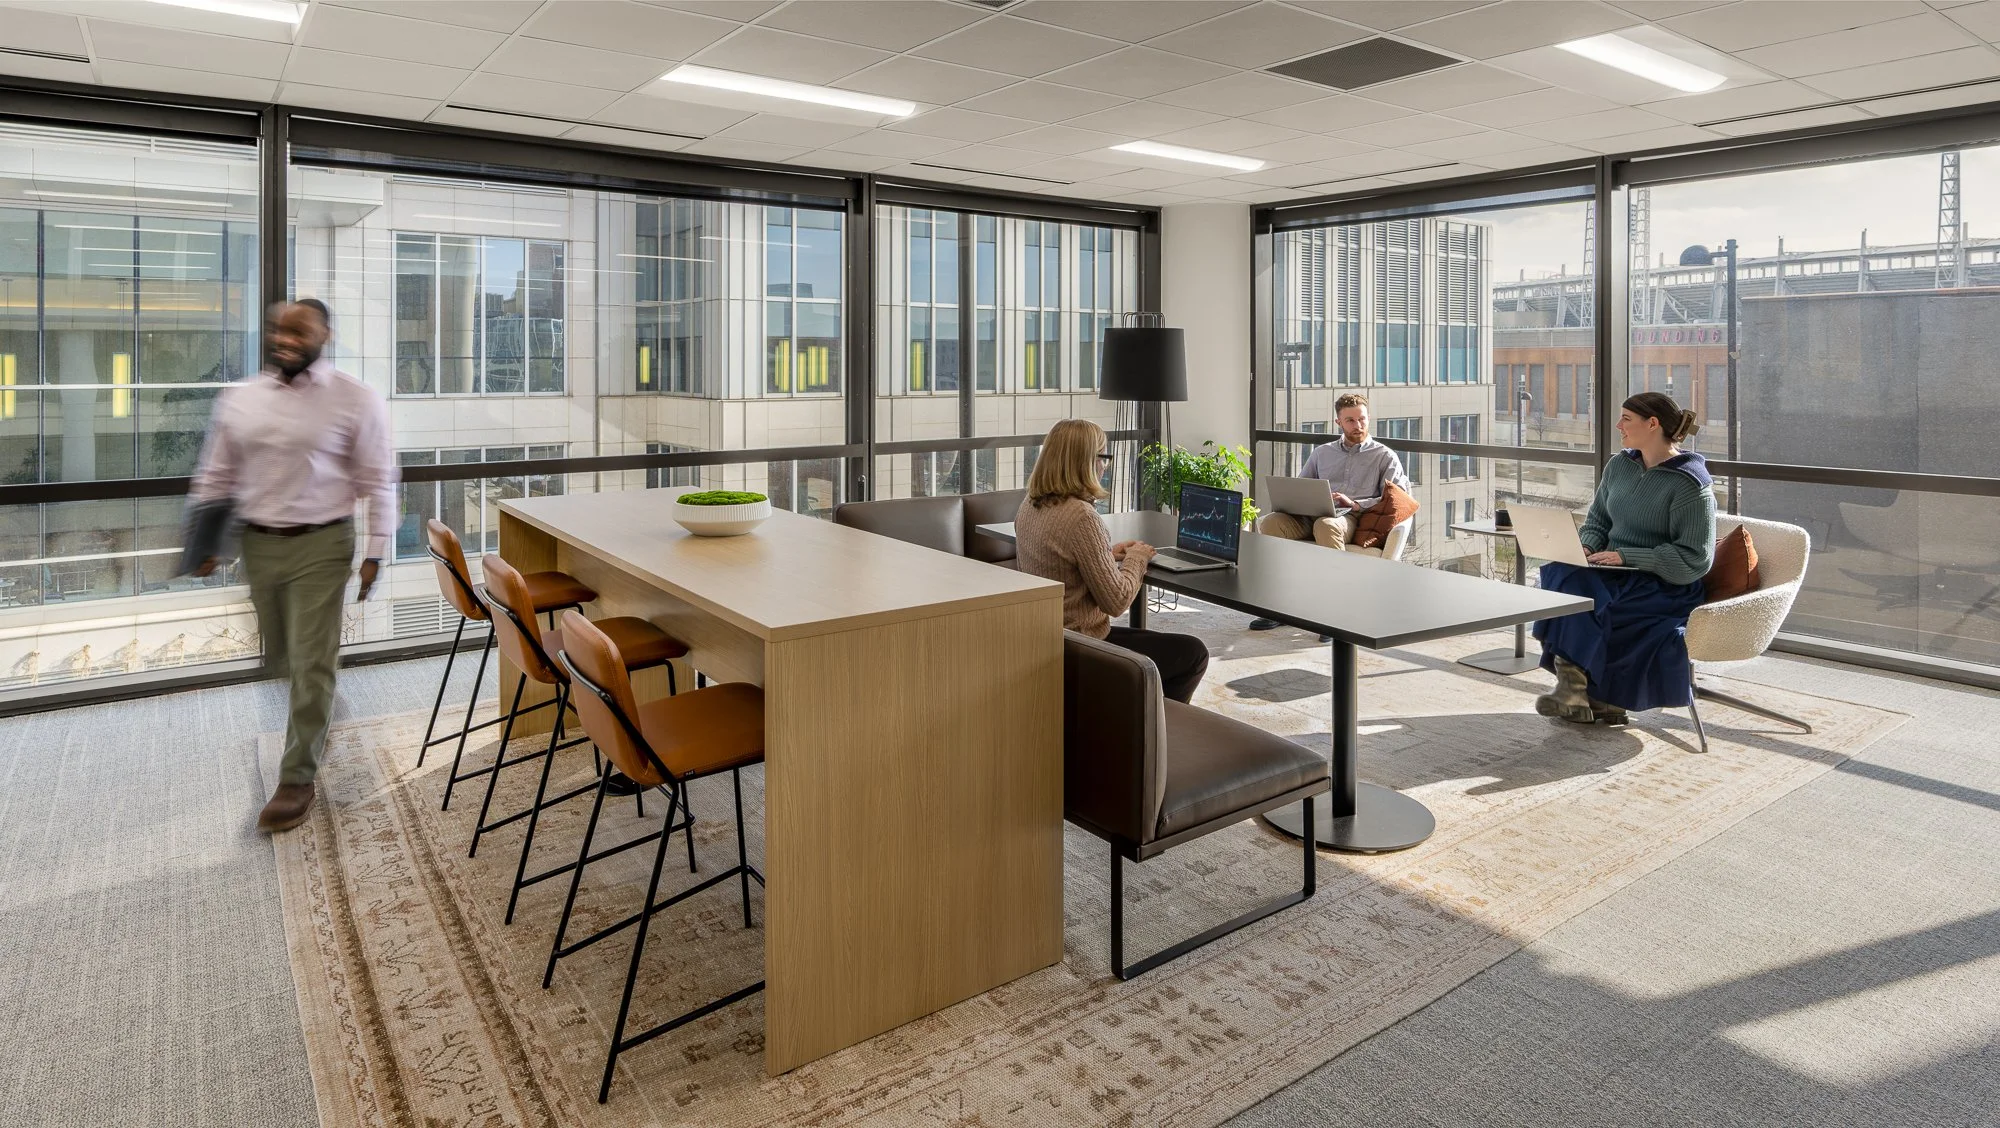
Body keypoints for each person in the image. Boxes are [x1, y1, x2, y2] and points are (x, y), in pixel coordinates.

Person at [191, 299, 396, 831]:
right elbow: (217, 472)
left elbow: (378, 479)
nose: (284, 337)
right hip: (258, 543)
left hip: (322, 544)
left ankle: (296, 776)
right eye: (278, 328)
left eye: (298, 330)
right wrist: (205, 542)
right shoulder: (241, 398)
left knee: (310, 661)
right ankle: (320, 705)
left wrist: (376, 551)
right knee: (281, 656)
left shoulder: (355, 399)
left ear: (324, 334)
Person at [1533, 392, 1717, 726]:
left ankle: (1579, 689)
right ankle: (1575, 685)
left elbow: (1695, 559)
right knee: (1559, 572)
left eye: (1626, 419)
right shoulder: (1620, 465)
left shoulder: (1691, 485)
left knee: (1585, 597)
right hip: (1613, 572)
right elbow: (1598, 521)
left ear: (1652, 424)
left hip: (1663, 583)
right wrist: (1587, 547)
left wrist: (1627, 555)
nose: (1619, 426)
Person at [1015, 418, 1209, 703]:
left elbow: (1060, 562)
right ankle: (1153, 731)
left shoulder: (1030, 504)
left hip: (1049, 640)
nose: (1105, 466)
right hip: (1084, 646)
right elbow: (1116, 602)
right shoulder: (1081, 516)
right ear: (1084, 461)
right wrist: (1137, 558)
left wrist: (1105, 555)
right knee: (1193, 653)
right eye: (1103, 456)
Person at [1249, 391, 1412, 631]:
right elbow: (1303, 485)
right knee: (1271, 522)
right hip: (1311, 513)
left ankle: (1337, 614)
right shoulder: (1322, 452)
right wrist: (1293, 501)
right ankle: (1279, 607)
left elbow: (1393, 498)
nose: (1358, 425)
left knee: (1326, 525)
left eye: (1362, 419)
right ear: (1339, 422)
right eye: (1351, 420)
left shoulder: (1384, 456)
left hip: (1351, 516)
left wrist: (1355, 503)